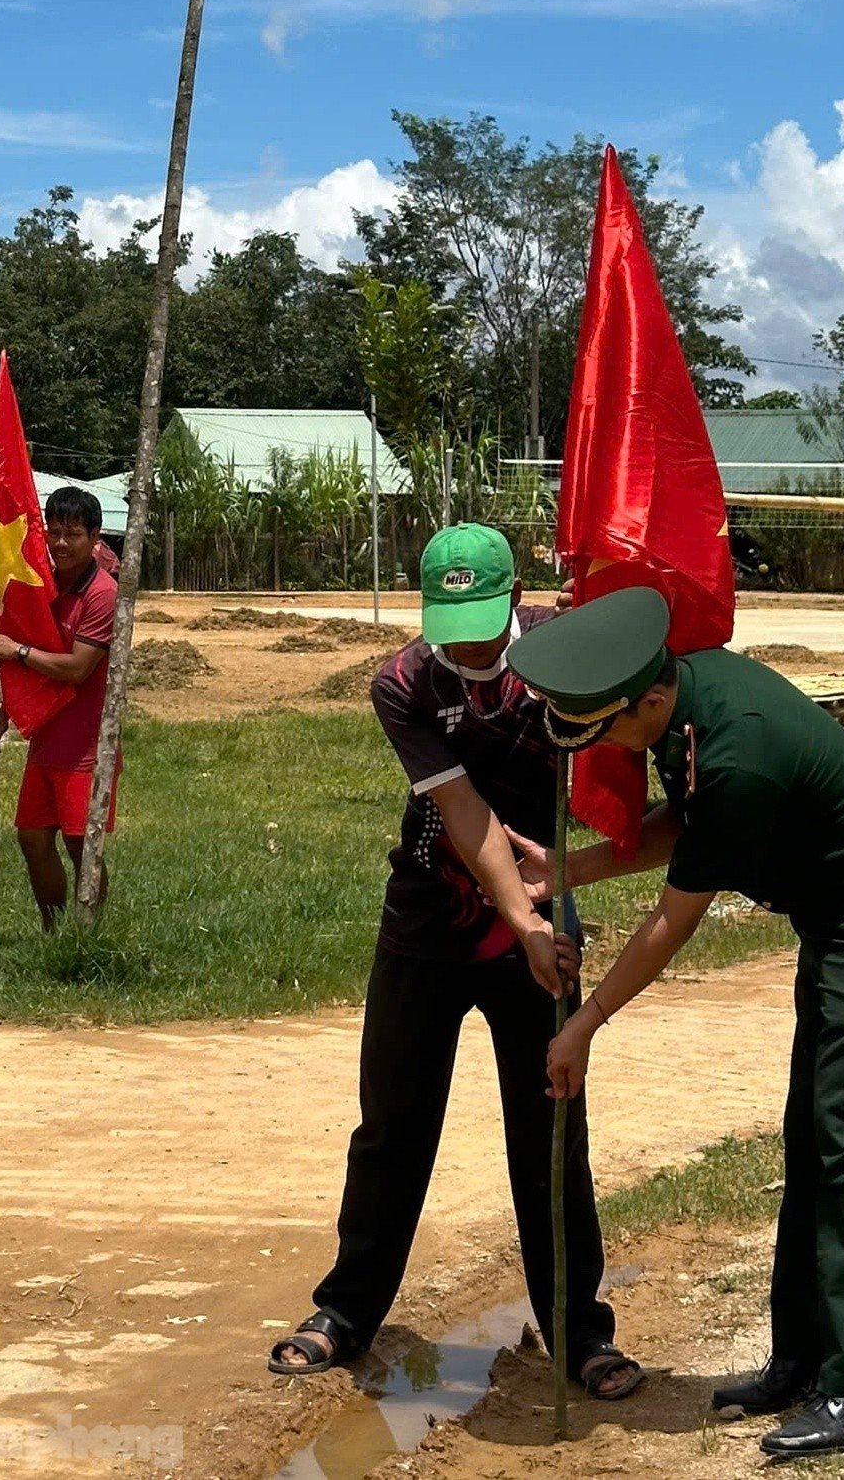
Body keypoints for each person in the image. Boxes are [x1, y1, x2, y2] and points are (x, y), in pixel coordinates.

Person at [507, 587, 844, 1462]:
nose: (598, 744)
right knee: (814, 1136)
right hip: (841, 917)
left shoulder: (739, 743)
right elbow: (689, 820)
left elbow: (672, 920)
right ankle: (802, 1359)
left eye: (603, 728)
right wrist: (575, 866)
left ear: (646, 700)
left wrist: (585, 1024)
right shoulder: (688, 700)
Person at [268, 526, 643, 1404]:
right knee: (390, 1128)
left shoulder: (562, 651)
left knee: (550, 1132)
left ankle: (577, 1330)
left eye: (484, 618)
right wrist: (519, 918)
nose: (469, 642)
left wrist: (537, 923)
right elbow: (467, 816)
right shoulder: (402, 682)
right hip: (430, 926)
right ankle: (347, 1310)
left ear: (517, 596)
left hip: (540, 934)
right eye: (451, 621)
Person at [0, 486, 120, 931]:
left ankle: (90, 936)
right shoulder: (41, 582)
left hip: (86, 747)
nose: (61, 543)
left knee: (84, 846)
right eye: (54, 533)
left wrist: (15, 650)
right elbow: (41, 657)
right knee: (32, 839)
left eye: (73, 534)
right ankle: (53, 930)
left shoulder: (103, 594)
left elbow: (77, 668)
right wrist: (7, 711)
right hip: (45, 738)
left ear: (95, 536)